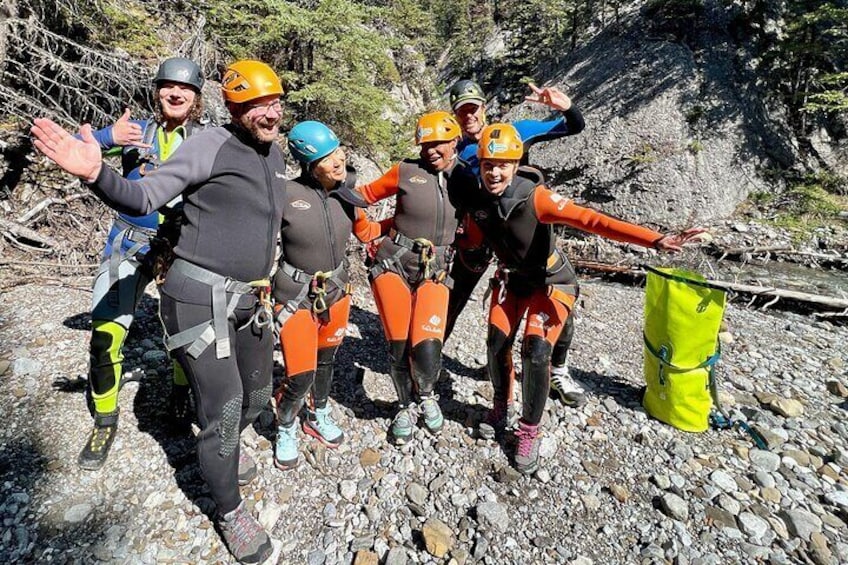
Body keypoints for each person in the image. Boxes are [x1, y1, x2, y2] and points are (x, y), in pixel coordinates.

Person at [32, 59, 286, 565]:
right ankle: (229, 509)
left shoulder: (274, 152)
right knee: (227, 404)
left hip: (249, 297)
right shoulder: (209, 144)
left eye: (274, 102)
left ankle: (224, 452)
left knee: (258, 393)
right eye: (255, 105)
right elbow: (144, 195)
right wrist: (95, 171)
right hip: (199, 294)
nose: (268, 112)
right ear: (233, 108)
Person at [453, 123, 702, 474]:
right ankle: (499, 406)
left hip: (551, 282)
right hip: (512, 281)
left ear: (516, 163)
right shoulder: (477, 200)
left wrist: (655, 240)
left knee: (536, 352)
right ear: (479, 164)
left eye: (503, 164)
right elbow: (475, 239)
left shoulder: (536, 196)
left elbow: (591, 219)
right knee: (496, 343)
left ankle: (529, 430)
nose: (494, 172)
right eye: (488, 164)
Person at [77, 57, 205, 472]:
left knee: (185, 335)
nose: (175, 93)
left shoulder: (206, 140)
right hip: (128, 243)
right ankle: (105, 419)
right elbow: (80, 151)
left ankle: (179, 396)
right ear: (157, 91)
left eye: (184, 88)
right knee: (104, 337)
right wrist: (105, 136)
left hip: (181, 246)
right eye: (167, 86)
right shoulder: (134, 133)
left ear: (196, 98)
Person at [446, 79, 588, 407]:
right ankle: (430, 358)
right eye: (461, 111)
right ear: (455, 115)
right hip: (479, 237)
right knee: (454, 297)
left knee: (555, 295)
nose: (469, 116)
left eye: (473, 108)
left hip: (526, 234)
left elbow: (573, 127)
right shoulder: (454, 150)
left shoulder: (516, 132)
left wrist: (565, 106)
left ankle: (559, 371)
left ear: (484, 107)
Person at [273, 120, 388, 469]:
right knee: (300, 372)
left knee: (326, 362)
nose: (338, 161)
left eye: (338, 151)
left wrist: (405, 224)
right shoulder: (287, 196)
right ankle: (286, 423)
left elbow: (366, 231)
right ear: (309, 165)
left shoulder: (347, 190)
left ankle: (317, 413)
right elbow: (259, 243)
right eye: (327, 158)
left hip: (337, 293)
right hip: (295, 295)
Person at [347, 111, 463, 444]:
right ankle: (404, 404)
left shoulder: (466, 178)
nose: (430, 151)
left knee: (427, 350)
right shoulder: (406, 171)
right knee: (398, 346)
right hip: (392, 264)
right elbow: (361, 197)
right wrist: (366, 233)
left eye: (438, 143)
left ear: (455, 141)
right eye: (425, 144)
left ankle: (426, 394)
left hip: (436, 270)